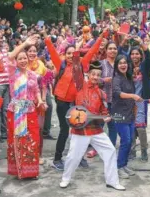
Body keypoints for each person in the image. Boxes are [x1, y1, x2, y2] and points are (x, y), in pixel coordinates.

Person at [59, 59, 125, 191]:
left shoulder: (101, 93)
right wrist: (77, 52)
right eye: (93, 74)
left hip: (95, 130)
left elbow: (104, 111)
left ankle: (112, 181)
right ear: (88, 74)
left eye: (98, 75)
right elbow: (77, 69)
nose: (95, 77)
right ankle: (65, 179)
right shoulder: (79, 85)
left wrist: (105, 118)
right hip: (80, 130)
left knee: (110, 150)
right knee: (73, 156)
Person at [45, 30, 104, 170]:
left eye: (73, 53)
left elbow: (92, 50)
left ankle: (80, 158)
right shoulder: (61, 65)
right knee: (64, 130)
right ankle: (57, 159)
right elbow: (52, 51)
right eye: (68, 53)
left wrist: (101, 38)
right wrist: (46, 38)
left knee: (80, 130)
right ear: (65, 55)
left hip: (77, 103)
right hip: (62, 102)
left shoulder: (81, 64)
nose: (71, 55)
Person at [6, 36, 47, 179]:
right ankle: (19, 171)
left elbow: (36, 90)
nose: (23, 61)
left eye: (25, 59)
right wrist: (25, 43)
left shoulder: (32, 75)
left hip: (30, 110)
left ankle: (31, 171)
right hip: (16, 111)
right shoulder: (12, 72)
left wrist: (40, 100)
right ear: (16, 61)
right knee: (17, 140)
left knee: (32, 139)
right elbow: (9, 56)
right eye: (20, 59)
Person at [112, 54, 143, 179]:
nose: (123, 65)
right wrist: (132, 96)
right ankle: (119, 167)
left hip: (129, 113)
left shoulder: (129, 77)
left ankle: (124, 165)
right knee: (125, 141)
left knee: (130, 141)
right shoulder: (116, 79)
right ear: (116, 66)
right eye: (120, 63)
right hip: (119, 115)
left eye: (125, 62)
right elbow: (117, 93)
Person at [129, 37, 150, 162]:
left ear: (140, 55)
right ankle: (132, 150)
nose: (134, 56)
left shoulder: (145, 66)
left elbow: (149, 57)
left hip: (141, 101)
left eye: (137, 53)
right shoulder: (126, 67)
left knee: (140, 127)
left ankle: (144, 151)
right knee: (131, 126)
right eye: (132, 54)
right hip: (128, 102)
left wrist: (141, 43)